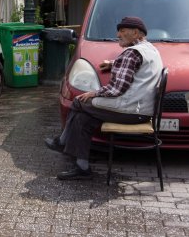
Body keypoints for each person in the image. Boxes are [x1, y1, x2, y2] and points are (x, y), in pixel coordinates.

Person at [45, 16, 163, 180]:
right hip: (141, 110)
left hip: (130, 110)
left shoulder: (132, 53)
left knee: (79, 101)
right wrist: (115, 64)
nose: (118, 34)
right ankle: (82, 167)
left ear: (136, 33)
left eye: (122, 31)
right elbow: (135, 66)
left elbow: (117, 89)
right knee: (83, 117)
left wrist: (94, 93)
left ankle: (62, 141)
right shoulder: (150, 49)